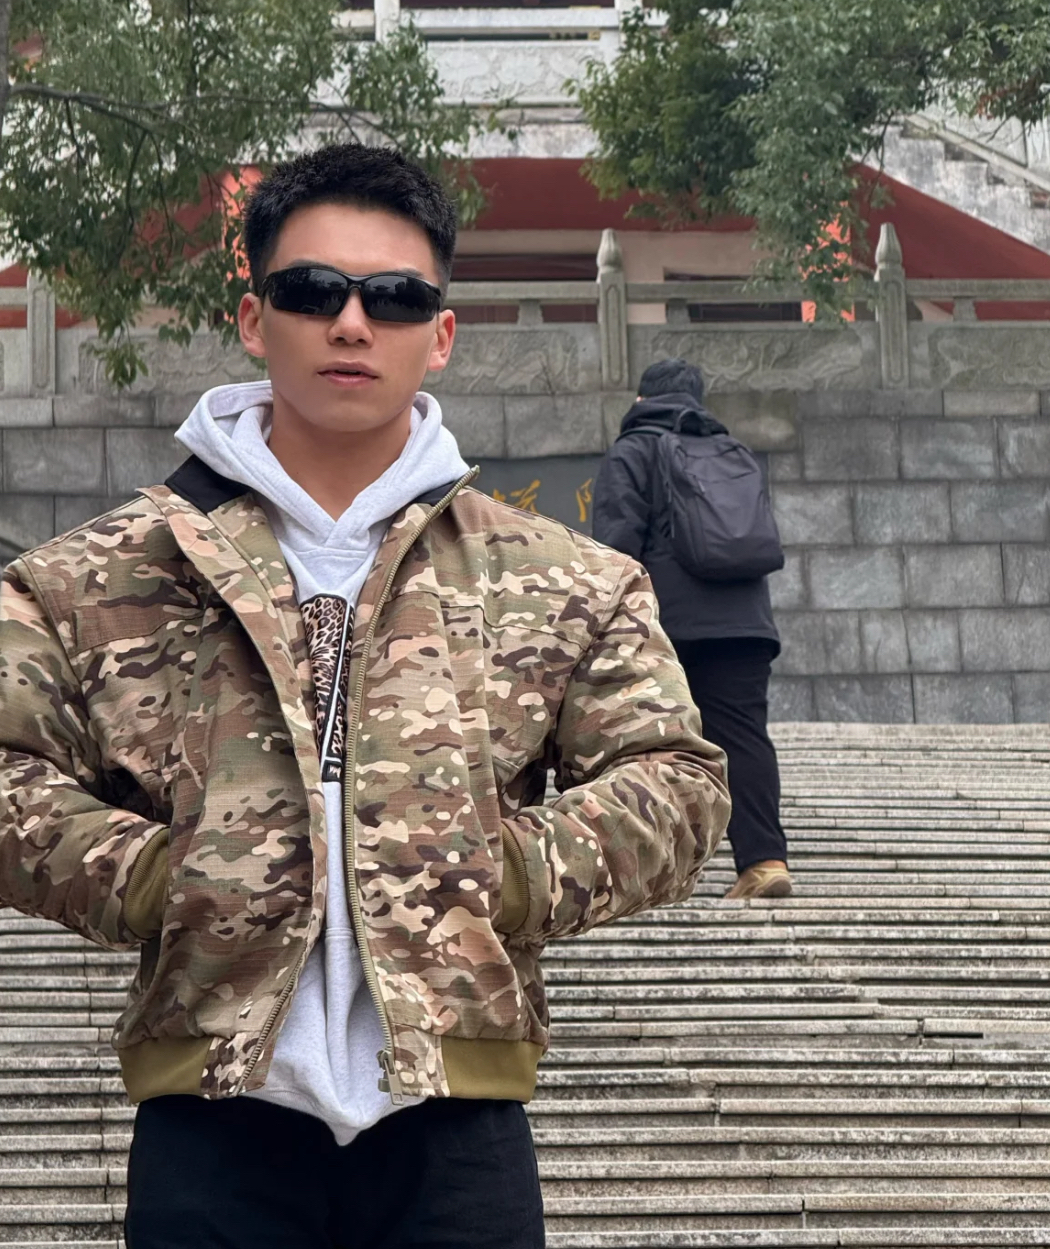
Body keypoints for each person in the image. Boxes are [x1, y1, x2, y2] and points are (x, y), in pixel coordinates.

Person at [0, 145, 730, 1249]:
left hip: (455, 1122)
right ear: (255, 319)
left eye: (394, 298)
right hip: (212, 1117)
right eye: (313, 291)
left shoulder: (565, 580)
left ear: (441, 335)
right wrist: (150, 876)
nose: (352, 323)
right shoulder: (98, 576)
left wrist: (511, 870)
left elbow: (679, 782)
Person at [592, 357, 791, 901]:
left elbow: (616, 548)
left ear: (641, 399)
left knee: (652, 744)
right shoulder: (731, 453)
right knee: (743, 737)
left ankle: (655, 873)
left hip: (668, 626)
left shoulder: (633, 451)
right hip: (745, 625)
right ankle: (764, 861)